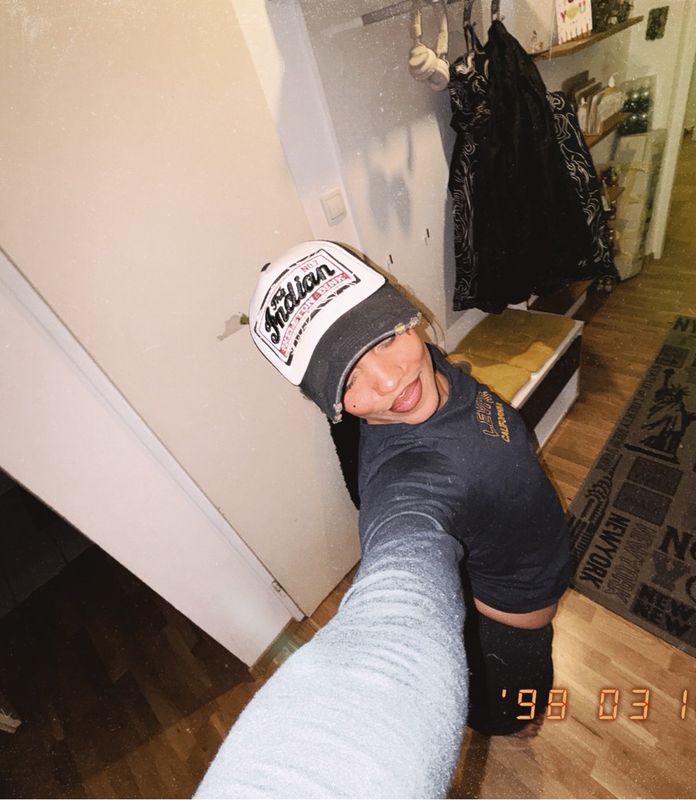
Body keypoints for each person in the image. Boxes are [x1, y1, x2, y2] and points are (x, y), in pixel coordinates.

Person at [197, 239, 570, 794]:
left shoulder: (429, 366)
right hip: (510, 635)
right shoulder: (407, 483)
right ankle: (508, 720)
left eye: (384, 337)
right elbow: (399, 586)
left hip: (532, 565)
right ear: (333, 404)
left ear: (407, 315)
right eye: (349, 379)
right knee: (514, 708)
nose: (389, 381)